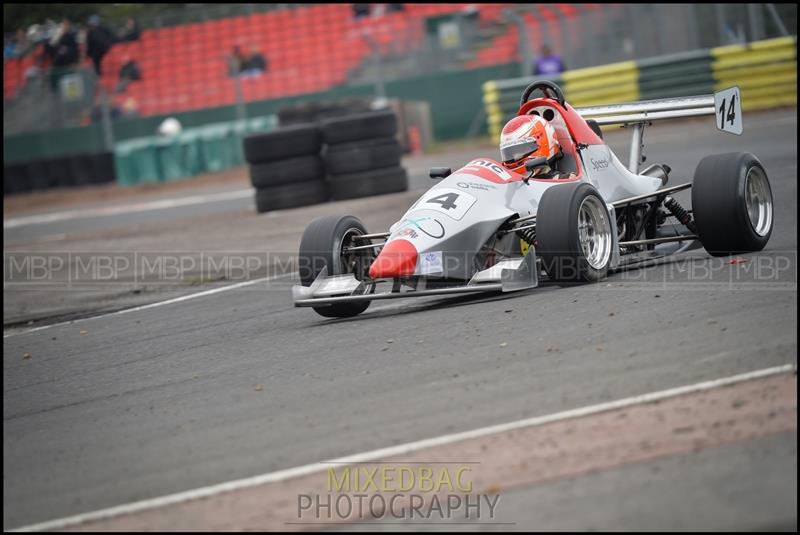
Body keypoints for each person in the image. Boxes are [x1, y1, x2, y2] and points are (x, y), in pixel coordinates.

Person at [499, 115, 573, 179]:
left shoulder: (562, 181)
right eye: (510, 152)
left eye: (521, 150)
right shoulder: (506, 184)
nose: (515, 156)